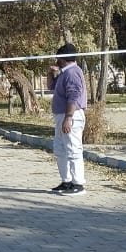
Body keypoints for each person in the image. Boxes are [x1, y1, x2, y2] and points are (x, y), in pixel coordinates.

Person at [50, 43, 87, 196]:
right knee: (60, 149)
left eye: (58, 58)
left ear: (63, 58)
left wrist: (68, 117)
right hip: (62, 116)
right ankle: (66, 181)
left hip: (71, 115)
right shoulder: (64, 73)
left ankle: (78, 184)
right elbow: (52, 87)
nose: (56, 61)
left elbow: (74, 96)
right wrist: (50, 74)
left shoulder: (72, 73)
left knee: (73, 149)